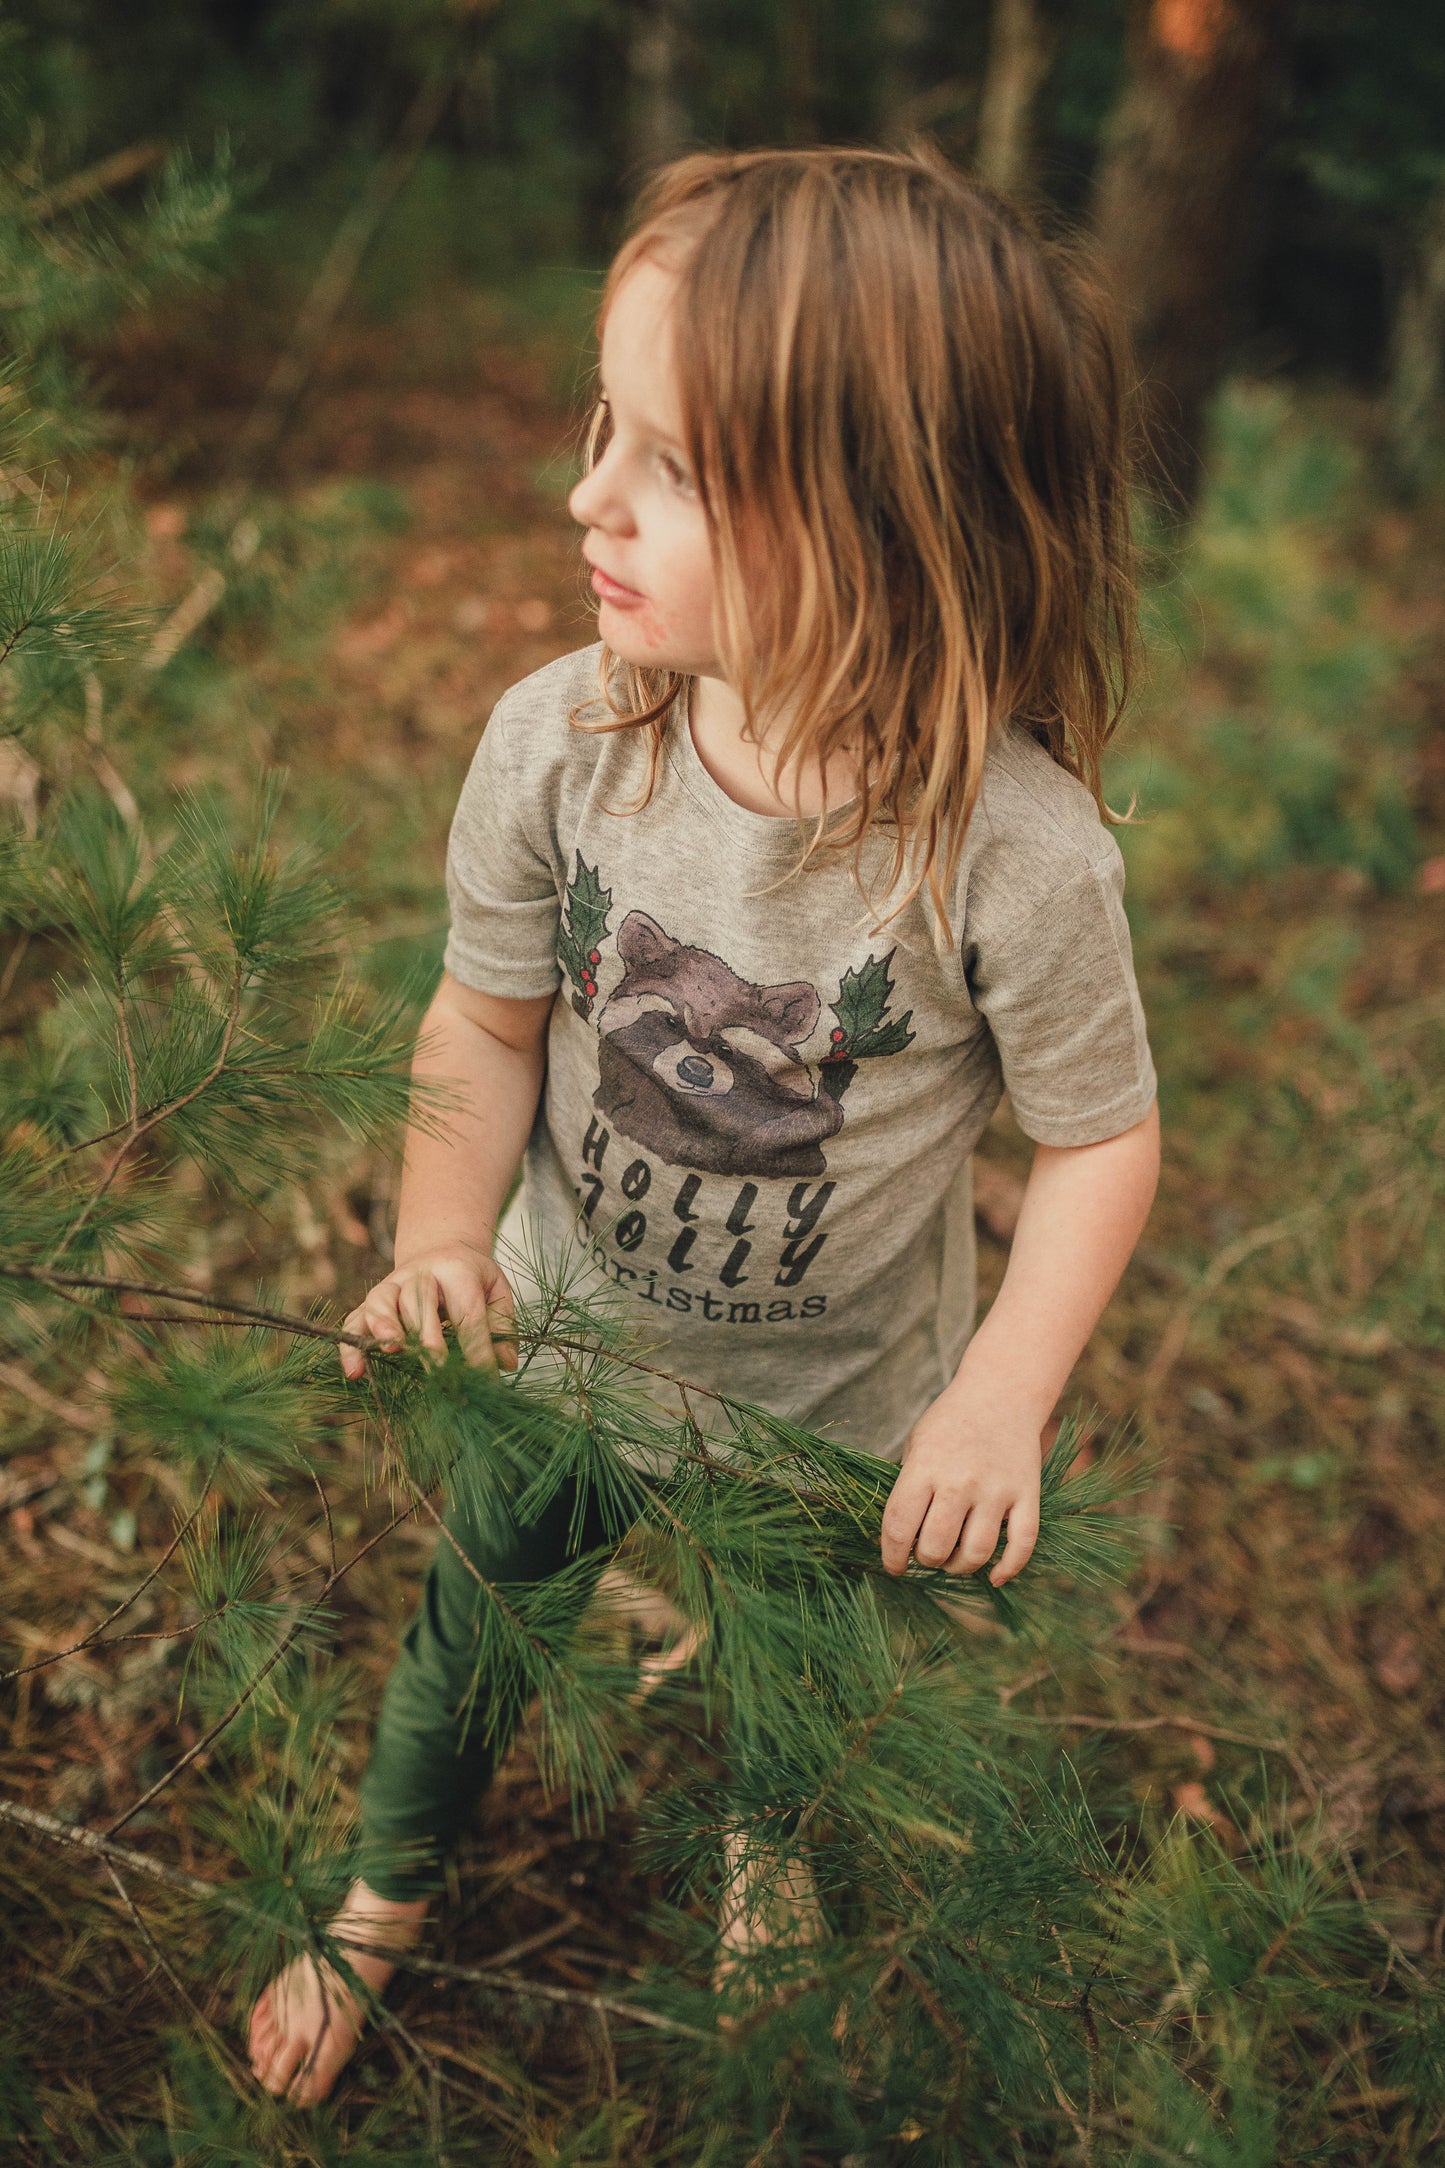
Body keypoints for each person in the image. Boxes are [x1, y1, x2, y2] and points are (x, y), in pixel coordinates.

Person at [248, 144, 1161, 2103]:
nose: (587, 492)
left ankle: (774, 1870)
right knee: (465, 1641)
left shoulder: (1014, 853)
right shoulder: (562, 743)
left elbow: (1098, 1139)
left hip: (832, 1410)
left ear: (878, 521)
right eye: (604, 429)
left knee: (798, 1690)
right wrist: (436, 1240)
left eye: (669, 464)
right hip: (563, 1342)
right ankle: (384, 1889)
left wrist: (1000, 1396)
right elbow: (483, 1023)